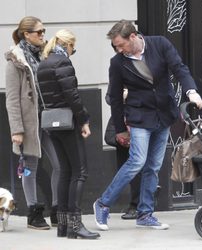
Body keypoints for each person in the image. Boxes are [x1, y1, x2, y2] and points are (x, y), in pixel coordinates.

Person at [93, 20, 202, 231]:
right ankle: (103, 203)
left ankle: (145, 213)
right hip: (139, 116)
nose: (118, 49)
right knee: (137, 161)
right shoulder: (118, 62)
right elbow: (116, 98)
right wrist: (120, 129)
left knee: (153, 166)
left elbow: (179, 68)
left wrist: (191, 91)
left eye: (120, 44)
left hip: (163, 115)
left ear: (133, 37)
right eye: (116, 46)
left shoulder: (160, 44)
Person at [36, 29, 100, 239]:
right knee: (79, 172)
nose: (73, 52)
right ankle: (75, 225)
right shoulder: (62, 63)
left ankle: (63, 226)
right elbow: (72, 95)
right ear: (68, 45)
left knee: (65, 171)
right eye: (74, 48)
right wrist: (84, 120)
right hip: (68, 122)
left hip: (51, 123)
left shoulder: (43, 63)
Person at [5, 16, 51, 230]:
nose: (43, 35)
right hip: (30, 122)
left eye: (43, 31)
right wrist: (17, 130)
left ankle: (59, 208)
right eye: (39, 32)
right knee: (30, 167)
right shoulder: (15, 59)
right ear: (26, 34)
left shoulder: (45, 54)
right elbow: (12, 99)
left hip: (51, 118)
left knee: (59, 163)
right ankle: (33, 212)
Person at [105, 85, 141, 220]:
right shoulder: (118, 73)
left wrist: (130, 95)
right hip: (122, 128)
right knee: (123, 168)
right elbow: (108, 98)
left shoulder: (143, 71)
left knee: (138, 167)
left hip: (139, 125)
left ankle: (136, 205)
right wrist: (120, 96)